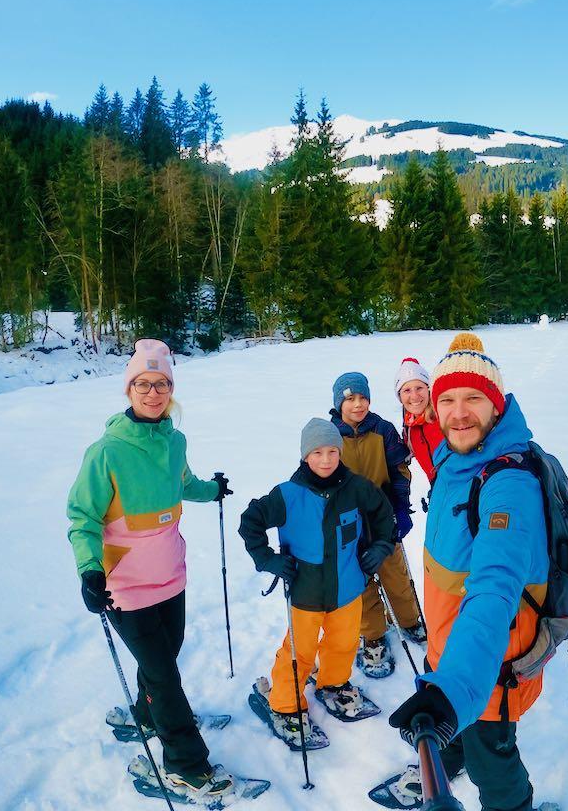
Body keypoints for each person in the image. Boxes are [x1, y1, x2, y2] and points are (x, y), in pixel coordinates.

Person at [388, 333, 550, 811]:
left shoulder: (508, 484)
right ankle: (447, 751)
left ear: (496, 406)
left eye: (473, 399)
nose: (459, 413)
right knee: (463, 740)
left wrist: (453, 690)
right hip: (449, 647)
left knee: (492, 764)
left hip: (488, 665)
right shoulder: (452, 459)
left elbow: (494, 590)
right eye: (448, 400)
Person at [66, 339, 234, 799]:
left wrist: (211, 490)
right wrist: (89, 571)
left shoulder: (175, 441)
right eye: (143, 383)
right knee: (163, 673)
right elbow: (82, 518)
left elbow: (183, 485)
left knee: (165, 657)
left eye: (161, 384)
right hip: (125, 584)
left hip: (170, 575)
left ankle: (147, 713)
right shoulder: (105, 453)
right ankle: (185, 766)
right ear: (129, 389)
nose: (153, 392)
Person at [239, 417, 395, 745]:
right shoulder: (288, 495)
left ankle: (334, 684)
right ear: (305, 456)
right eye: (317, 452)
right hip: (305, 591)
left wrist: (380, 546)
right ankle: (284, 705)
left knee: (343, 643)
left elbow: (383, 515)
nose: (325, 459)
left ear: (340, 452)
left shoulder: (357, 488)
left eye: (332, 451)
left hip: (348, 586)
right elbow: (250, 522)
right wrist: (267, 558)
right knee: (300, 651)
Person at [329, 371, 425, 678]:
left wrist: (401, 507)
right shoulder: (330, 435)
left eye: (363, 398)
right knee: (360, 581)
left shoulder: (382, 429)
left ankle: (409, 619)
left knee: (394, 573)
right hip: (348, 523)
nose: (358, 405)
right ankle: (372, 634)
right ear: (338, 403)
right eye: (350, 399)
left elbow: (399, 471)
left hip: (383, 517)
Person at [395, 357, 444, 483]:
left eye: (419, 388)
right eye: (407, 390)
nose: (414, 396)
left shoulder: (443, 417)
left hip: (465, 488)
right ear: (400, 396)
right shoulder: (409, 427)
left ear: (428, 389)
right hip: (437, 489)